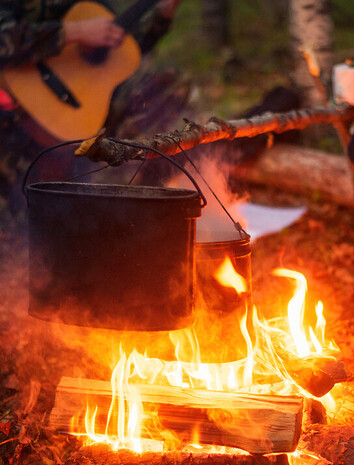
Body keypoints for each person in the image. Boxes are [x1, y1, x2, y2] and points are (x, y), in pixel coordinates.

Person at [0, 0, 185, 220]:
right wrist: (75, 32)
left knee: (169, 84)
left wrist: (162, 14)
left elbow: (125, 49)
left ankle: (123, 201)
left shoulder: (88, 4)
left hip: (75, 113)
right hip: (14, 109)